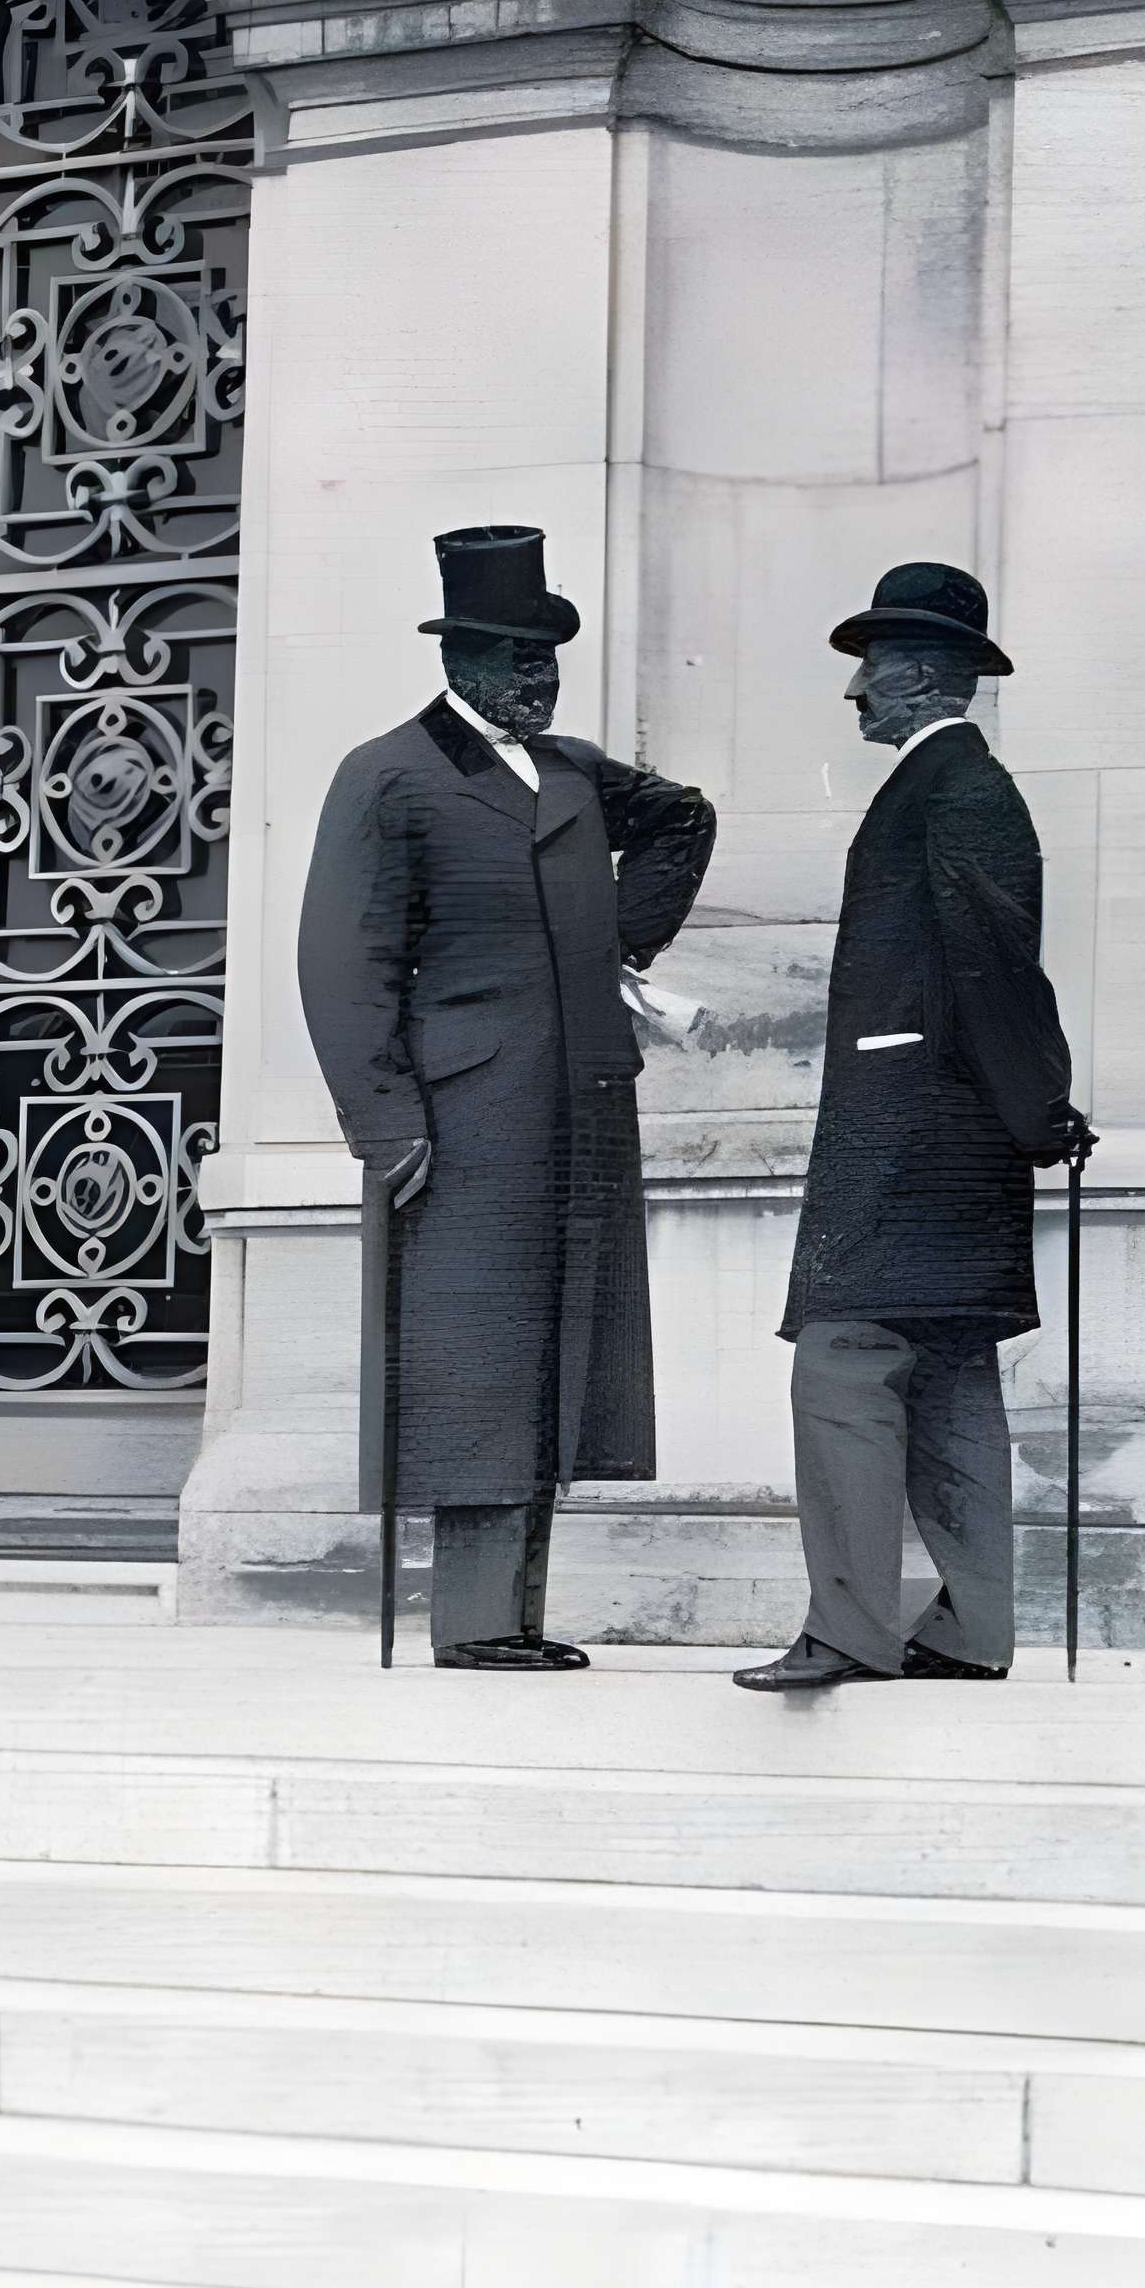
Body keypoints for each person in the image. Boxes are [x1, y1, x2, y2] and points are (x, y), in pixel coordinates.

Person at [298, 526, 715, 1670]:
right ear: (462, 659)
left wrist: (610, 943)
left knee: (556, 1352)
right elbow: (343, 963)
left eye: (550, 662)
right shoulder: (388, 774)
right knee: (473, 1360)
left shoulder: (571, 769)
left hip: (579, 1095)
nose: (538, 682)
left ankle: (518, 1616)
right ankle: (477, 1622)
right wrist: (383, 1124)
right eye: (518, 662)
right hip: (464, 1117)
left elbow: (684, 818)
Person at [737, 562, 1090, 1695]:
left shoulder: (957, 790)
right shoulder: (949, 787)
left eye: (872, 669)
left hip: (912, 1150)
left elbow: (996, 972)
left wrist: (1040, 1109)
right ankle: (970, 1628)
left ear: (926, 675)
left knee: (841, 1367)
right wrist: (1032, 1114)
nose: (853, 694)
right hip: (949, 1148)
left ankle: (847, 1631)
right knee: (947, 1381)